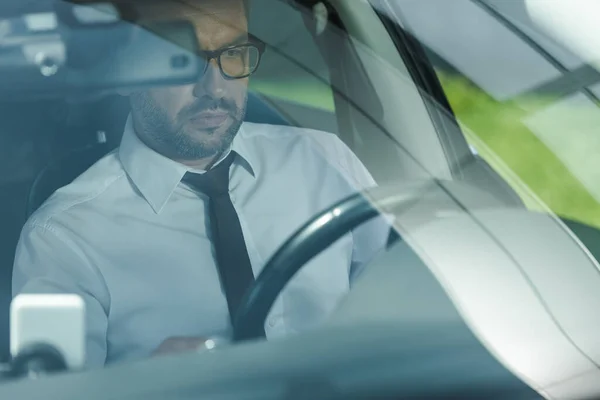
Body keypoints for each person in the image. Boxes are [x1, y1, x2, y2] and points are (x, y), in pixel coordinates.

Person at [12, 0, 390, 367]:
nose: (215, 88)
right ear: (124, 72)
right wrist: (146, 389)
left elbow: (410, 304)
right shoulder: (61, 240)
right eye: (181, 57)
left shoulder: (325, 163)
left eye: (234, 53)